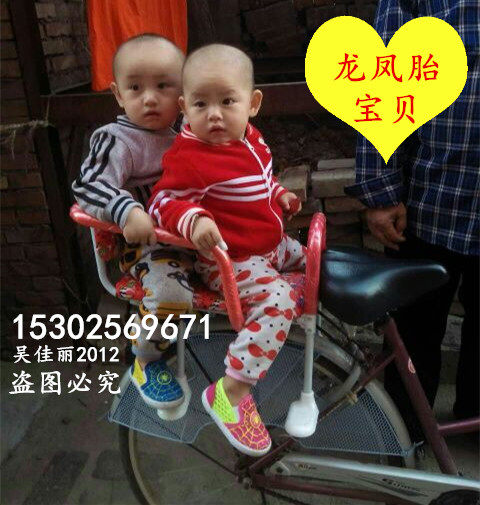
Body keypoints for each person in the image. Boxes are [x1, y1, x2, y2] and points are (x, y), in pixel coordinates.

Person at [148, 44, 305, 456]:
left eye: (227, 101)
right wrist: (195, 220)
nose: (214, 114)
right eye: (201, 104)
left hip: (270, 245)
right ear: (184, 107)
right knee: (279, 298)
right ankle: (230, 392)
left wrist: (280, 194)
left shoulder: (251, 139)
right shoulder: (191, 156)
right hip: (231, 260)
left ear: (253, 104)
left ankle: (318, 350)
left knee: (317, 263)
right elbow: (162, 202)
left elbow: (261, 180)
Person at [345, 0, 479, 442]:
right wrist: (381, 192)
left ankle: (473, 423)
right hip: (431, 203)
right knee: (415, 330)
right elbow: (384, 80)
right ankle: (404, 437)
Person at [72, 33, 194, 411]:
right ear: (119, 95)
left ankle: (245, 364)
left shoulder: (188, 136)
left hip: (194, 239)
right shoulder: (117, 140)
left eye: (163, 86)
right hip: (149, 249)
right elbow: (89, 186)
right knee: (172, 294)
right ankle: (145, 359)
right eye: (136, 88)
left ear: (182, 93)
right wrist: (126, 210)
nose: (150, 98)